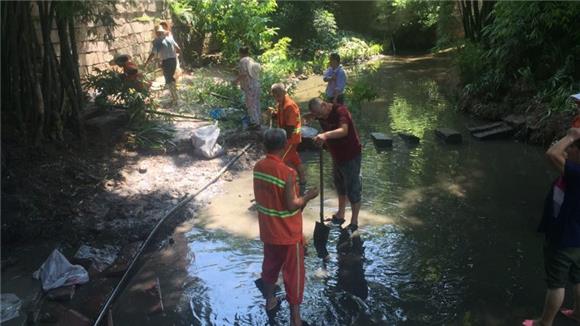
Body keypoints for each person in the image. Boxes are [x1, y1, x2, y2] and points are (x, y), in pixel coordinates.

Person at [254, 128, 318, 326]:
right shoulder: (287, 173)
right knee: (294, 275)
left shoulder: (258, 167)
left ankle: (270, 301)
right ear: (284, 147)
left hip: (268, 231)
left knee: (270, 267)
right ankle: (296, 320)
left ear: (265, 146)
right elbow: (292, 205)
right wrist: (308, 196)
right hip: (289, 234)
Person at [524, 127, 580, 326]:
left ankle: (544, 323)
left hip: (563, 238)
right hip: (578, 238)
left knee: (556, 284)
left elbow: (552, 153)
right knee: (578, 277)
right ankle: (578, 313)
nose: (567, 150)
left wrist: (571, 136)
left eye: (572, 148)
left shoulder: (576, 174)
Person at [307, 97, 362, 234]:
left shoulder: (341, 111)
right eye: (317, 116)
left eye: (321, 114)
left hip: (351, 155)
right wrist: (305, 118)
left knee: (353, 188)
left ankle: (354, 222)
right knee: (340, 186)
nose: (320, 118)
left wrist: (325, 135)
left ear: (325, 105)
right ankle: (340, 214)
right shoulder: (320, 114)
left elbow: (343, 130)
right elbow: (309, 116)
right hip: (337, 156)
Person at [269, 83, 307, 192]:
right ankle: (303, 181)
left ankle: (291, 185)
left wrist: (279, 137)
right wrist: (274, 114)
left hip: (291, 138)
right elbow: (280, 115)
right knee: (294, 159)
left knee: (283, 161)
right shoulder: (281, 103)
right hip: (289, 137)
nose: (276, 98)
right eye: (275, 96)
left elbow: (290, 128)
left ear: (281, 93)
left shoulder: (289, 106)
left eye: (277, 95)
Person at [145, 25, 181, 105]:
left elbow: (153, 53)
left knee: (169, 80)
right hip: (173, 60)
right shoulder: (170, 38)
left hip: (167, 62)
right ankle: (175, 97)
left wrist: (146, 62)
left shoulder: (157, 41)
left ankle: (176, 99)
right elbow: (178, 49)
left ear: (157, 33)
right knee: (171, 78)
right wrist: (174, 55)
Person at [235, 46, 261, 129]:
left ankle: (255, 123)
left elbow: (243, 74)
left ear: (241, 53)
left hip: (249, 86)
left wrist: (236, 81)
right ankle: (258, 120)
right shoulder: (251, 59)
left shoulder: (243, 61)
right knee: (256, 103)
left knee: (250, 104)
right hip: (256, 84)